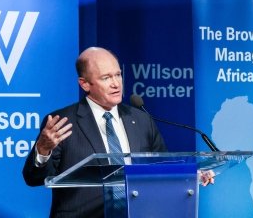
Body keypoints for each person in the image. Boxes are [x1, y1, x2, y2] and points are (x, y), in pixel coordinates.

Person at [23, 47, 167, 217]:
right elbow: (34, 179)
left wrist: (192, 174)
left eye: (118, 74)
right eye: (106, 78)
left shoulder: (141, 120)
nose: (116, 83)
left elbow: (162, 167)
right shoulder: (62, 122)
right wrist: (43, 150)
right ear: (84, 84)